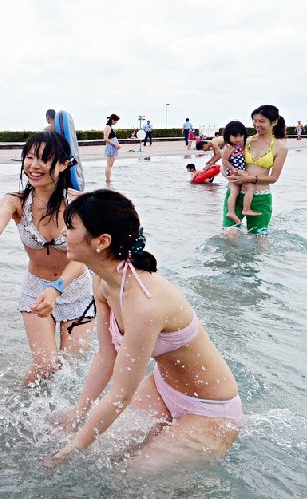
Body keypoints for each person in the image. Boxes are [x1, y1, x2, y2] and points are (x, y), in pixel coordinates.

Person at [47, 189, 243, 472]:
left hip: (210, 411)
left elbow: (120, 395)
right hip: (163, 389)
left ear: (103, 241)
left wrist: (73, 447)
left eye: (71, 227)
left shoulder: (145, 303)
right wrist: (79, 411)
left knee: (131, 480)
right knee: (106, 455)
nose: (64, 233)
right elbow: (107, 354)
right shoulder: (103, 283)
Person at [0, 131, 94, 385]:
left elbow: (84, 257)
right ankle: (19, 405)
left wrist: (57, 288)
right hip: (36, 291)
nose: (34, 165)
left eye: (44, 159)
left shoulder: (79, 204)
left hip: (76, 290)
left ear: (63, 164)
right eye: (29, 157)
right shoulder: (16, 201)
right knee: (45, 365)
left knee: (71, 367)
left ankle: (61, 419)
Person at [223, 105, 288, 237]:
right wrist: (224, 172)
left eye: (262, 121)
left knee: (259, 241)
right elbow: (226, 157)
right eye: (255, 120)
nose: (257, 125)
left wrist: (250, 179)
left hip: (260, 198)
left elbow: (274, 178)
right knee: (230, 236)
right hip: (236, 194)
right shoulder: (246, 141)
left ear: (274, 122)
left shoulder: (280, 148)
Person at [220, 121, 258, 223]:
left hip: (235, 170)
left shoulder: (236, 146)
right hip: (235, 171)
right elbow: (224, 160)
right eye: (235, 136)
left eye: (241, 136)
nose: (238, 139)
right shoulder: (229, 146)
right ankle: (246, 209)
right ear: (228, 135)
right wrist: (232, 169)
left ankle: (231, 212)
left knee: (234, 192)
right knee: (250, 186)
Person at [103, 114, 120, 182]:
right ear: (112, 120)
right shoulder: (108, 127)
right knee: (109, 165)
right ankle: (108, 180)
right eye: (116, 121)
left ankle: (108, 179)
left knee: (110, 165)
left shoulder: (109, 127)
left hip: (112, 146)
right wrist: (115, 144)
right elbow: (105, 139)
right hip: (111, 147)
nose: (116, 122)